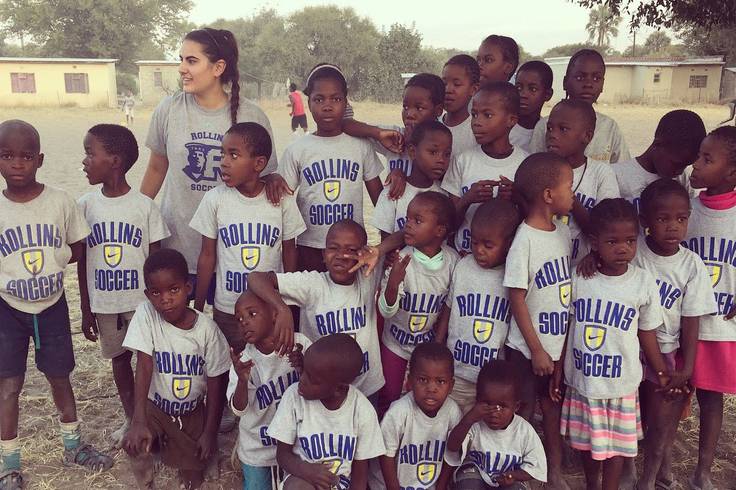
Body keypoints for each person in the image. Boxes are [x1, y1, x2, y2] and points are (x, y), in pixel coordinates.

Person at [0, 120, 112, 490]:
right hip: (7, 308)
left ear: (40, 159)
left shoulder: (61, 201)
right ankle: (10, 463)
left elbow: (79, 248)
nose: (17, 163)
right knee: (9, 386)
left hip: (51, 306)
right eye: (7, 155)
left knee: (60, 377)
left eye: (26, 156)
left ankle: (73, 445)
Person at [140, 28, 279, 291]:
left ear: (218, 67)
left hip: (235, 252)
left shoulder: (252, 115)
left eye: (191, 61)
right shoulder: (169, 109)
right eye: (180, 59)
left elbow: (266, 176)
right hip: (179, 246)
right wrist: (137, 212)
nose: (181, 68)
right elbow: (157, 168)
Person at [551, 198, 669, 490]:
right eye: (612, 241)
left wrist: (662, 372)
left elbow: (647, 333)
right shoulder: (580, 275)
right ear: (595, 242)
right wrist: (557, 372)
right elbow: (566, 326)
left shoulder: (642, 282)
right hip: (584, 380)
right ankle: (593, 484)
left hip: (620, 384)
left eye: (630, 240)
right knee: (588, 444)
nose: (623, 248)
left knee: (617, 445)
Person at [77, 124, 170, 446]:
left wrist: (159, 305)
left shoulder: (144, 207)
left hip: (141, 304)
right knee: (119, 361)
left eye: (90, 154)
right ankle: (131, 418)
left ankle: (156, 420)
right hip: (105, 303)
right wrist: (86, 308)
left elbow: (157, 262)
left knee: (152, 362)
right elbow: (83, 261)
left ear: (115, 160)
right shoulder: (86, 206)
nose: (85, 161)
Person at [189, 122, 305, 351]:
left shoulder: (281, 199)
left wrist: (288, 303)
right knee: (230, 370)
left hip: (268, 308)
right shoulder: (215, 199)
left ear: (259, 163)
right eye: (222, 153)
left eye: (233, 155)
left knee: (271, 368)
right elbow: (207, 256)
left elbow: (290, 251)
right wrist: (199, 308)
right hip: (228, 309)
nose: (224, 161)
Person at [122, 248, 231, 490]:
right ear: (147, 295)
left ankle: (184, 450)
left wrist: (210, 432)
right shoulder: (146, 314)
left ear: (188, 288)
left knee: (194, 479)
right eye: (156, 292)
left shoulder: (207, 331)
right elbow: (144, 363)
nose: (165, 299)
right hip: (156, 409)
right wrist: (137, 420)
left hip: (191, 413)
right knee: (134, 443)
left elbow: (216, 383)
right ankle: (147, 481)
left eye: (174, 290)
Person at [632, 180, 717, 490]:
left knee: (660, 421)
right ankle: (632, 470)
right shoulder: (634, 251)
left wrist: (687, 368)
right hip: (629, 350)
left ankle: (650, 477)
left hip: (667, 353)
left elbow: (692, 320)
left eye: (681, 219)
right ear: (645, 221)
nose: (673, 227)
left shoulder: (691, 264)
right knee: (632, 417)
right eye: (663, 219)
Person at [247, 220, 386, 401]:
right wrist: (282, 309)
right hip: (321, 388)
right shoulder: (313, 284)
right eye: (333, 248)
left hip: (365, 386)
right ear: (323, 253)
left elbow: (399, 237)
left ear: (364, 253)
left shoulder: (368, 276)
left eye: (351, 250)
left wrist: (377, 251)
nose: (341, 255)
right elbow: (255, 278)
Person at [502, 152, 574, 489]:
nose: (572, 194)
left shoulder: (562, 233)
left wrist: (554, 354)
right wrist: (537, 351)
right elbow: (516, 298)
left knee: (552, 411)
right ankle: (517, 473)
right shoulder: (524, 240)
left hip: (555, 347)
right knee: (525, 410)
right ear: (548, 195)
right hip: (527, 349)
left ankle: (553, 473)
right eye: (569, 187)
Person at [278, 64, 384, 272]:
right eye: (319, 99)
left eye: (335, 99)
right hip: (309, 247)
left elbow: (380, 204)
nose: (327, 106)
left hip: (352, 249)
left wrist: (386, 247)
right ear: (308, 103)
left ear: (345, 102)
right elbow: (283, 201)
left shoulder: (360, 146)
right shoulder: (297, 150)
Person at [680, 126, 736, 490]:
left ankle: (703, 469)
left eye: (706, 159)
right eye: (698, 155)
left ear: (731, 173)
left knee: (711, 400)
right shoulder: (686, 208)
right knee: (671, 397)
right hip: (684, 324)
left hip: (721, 327)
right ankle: (663, 465)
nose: (695, 166)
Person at [436, 199, 522, 413]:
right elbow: (449, 307)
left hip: (491, 381)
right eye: (474, 243)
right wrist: (438, 344)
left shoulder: (512, 276)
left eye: (488, 245)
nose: (479, 250)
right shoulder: (463, 266)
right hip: (457, 371)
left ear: (509, 244)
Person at [268, 334, 386, 490]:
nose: (302, 379)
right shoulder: (293, 397)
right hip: (302, 478)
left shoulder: (362, 411)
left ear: (338, 388)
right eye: (304, 371)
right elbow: (282, 456)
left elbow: (360, 476)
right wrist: (307, 471)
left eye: (312, 379)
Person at [378, 191, 459, 412]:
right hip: (395, 343)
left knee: (423, 399)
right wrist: (393, 282)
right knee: (389, 395)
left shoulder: (453, 262)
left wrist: (438, 342)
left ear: (439, 230)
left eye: (418, 220)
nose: (409, 225)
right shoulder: (401, 260)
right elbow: (386, 311)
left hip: (427, 345)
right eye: (408, 218)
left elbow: (448, 307)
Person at [227, 290, 310, 490]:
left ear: (274, 313)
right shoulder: (244, 361)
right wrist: (242, 381)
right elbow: (238, 410)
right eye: (239, 319)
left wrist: (303, 368)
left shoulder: (299, 344)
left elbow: (319, 387)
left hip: (296, 445)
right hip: (258, 449)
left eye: (251, 314)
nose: (244, 321)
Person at [442, 81, 528, 254]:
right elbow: (448, 224)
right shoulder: (462, 161)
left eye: (487, 115)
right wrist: (467, 199)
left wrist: (517, 198)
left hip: (506, 264)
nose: (477, 122)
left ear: (511, 120)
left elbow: (532, 220)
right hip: (464, 257)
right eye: (474, 114)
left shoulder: (525, 163)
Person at [446, 360, 547, 489]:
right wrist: (469, 419)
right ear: (478, 400)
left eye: (502, 406)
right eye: (487, 404)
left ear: (516, 406)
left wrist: (514, 476)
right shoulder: (475, 423)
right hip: (476, 476)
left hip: (507, 481)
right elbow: (452, 447)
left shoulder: (524, 431)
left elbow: (535, 467)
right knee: (468, 483)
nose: (494, 412)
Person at [375, 343, 462, 490]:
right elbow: (386, 457)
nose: (431, 388)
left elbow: (451, 457)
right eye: (423, 380)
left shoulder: (453, 411)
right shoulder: (398, 412)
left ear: (451, 385)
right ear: (409, 381)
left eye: (440, 381)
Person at [545, 99, 619, 263]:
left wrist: (571, 201)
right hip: (548, 268)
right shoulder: (539, 169)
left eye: (563, 129)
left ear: (586, 136)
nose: (552, 134)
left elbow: (607, 229)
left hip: (584, 268)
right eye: (549, 128)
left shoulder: (601, 173)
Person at [529, 49, 630, 163]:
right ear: (565, 82)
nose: (588, 84)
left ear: (602, 85)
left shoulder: (610, 127)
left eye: (596, 78)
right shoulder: (545, 126)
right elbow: (534, 166)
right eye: (579, 78)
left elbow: (622, 168)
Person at [344, 73, 446, 176]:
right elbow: (345, 125)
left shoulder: (444, 142)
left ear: (438, 110)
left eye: (419, 108)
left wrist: (415, 143)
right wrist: (378, 133)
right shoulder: (394, 137)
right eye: (405, 107)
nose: (409, 114)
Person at [613, 109, 707, 212]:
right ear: (658, 144)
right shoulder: (616, 176)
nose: (679, 171)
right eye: (676, 164)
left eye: (686, 165)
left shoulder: (682, 179)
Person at [373, 121, 451, 238]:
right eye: (433, 152)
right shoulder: (392, 192)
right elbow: (385, 241)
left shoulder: (444, 195)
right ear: (412, 152)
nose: (441, 160)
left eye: (447, 154)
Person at [441, 55, 481, 159]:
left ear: (473, 89)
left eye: (457, 84)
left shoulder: (477, 131)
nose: (448, 89)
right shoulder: (431, 124)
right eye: (444, 83)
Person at [510, 60, 554, 152]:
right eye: (518, 87)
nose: (523, 94)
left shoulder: (549, 132)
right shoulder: (504, 128)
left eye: (533, 89)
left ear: (547, 94)